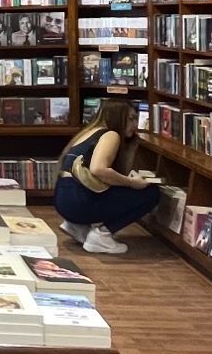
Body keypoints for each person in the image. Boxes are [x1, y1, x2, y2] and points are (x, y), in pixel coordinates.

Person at [53, 98, 159, 255]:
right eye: (130, 119)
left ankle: (78, 226)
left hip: (63, 199)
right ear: (117, 117)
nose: (135, 125)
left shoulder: (89, 132)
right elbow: (98, 169)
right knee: (151, 193)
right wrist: (131, 182)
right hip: (78, 201)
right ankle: (102, 235)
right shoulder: (111, 135)